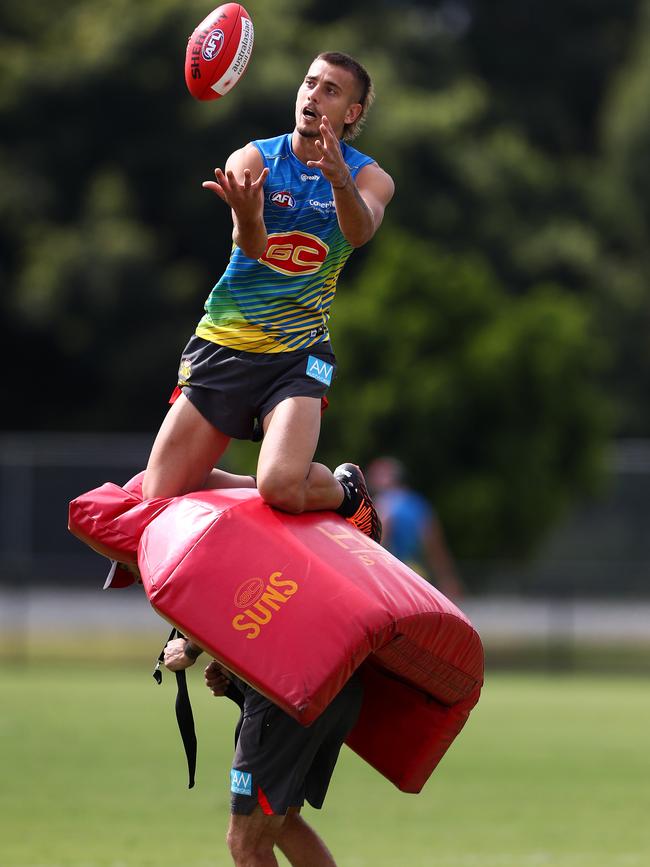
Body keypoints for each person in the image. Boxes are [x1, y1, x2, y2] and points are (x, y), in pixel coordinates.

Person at [141, 51, 395, 545]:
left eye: (330, 90)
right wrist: (248, 216)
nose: (313, 95)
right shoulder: (254, 159)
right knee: (161, 497)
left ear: (352, 113)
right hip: (225, 342)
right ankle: (277, 490)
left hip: (300, 356)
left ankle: (345, 493)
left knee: (282, 486)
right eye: (309, 83)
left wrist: (339, 178)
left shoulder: (370, 177)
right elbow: (252, 247)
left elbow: (360, 231)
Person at [163, 638, 362, 867]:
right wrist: (234, 671)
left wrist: (190, 648)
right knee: (281, 820)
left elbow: (227, 606)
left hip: (288, 695)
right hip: (339, 680)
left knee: (247, 843)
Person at [367, 456, 465, 600]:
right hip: (416, 574)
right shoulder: (418, 504)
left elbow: (380, 541)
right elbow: (434, 546)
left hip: (392, 577)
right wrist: (447, 578)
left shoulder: (383, 504)